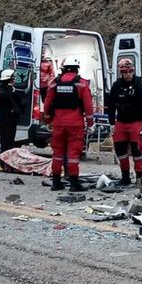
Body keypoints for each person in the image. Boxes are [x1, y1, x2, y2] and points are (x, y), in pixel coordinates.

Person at [43, 57, 93, 192]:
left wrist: (48, 120)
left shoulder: (54, 84)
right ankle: (74, 183)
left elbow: (47, 104)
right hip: (75, 124)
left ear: (63, 68)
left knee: (58, 153)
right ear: (77, 69)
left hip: (58, 123)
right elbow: (88, 105)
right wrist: (90, 123)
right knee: (73, 154)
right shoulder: (82, 84)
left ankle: (56, 182)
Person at [106, 57, 142, 185]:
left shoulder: (140, 86)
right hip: (121, 122)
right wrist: (112, 123)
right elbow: (111, 106)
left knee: (137, 151)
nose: (128, 74)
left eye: (130, 71)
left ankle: (139, 178)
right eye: (125, 72)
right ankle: (125, 177)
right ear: (121, 73)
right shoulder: (116, 86)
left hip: (136, 122)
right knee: (120, 150)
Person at [0, 68, 21, 153]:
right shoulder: (0, 89)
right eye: (13, 79)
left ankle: (9, 161)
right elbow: (5, 97)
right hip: (5, 119)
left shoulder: (11, 89)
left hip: (12, 119)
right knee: (5, 141)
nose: (14, 81)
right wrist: (10, 88)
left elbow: (17, 100)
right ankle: (3, 162)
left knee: (10, 142)